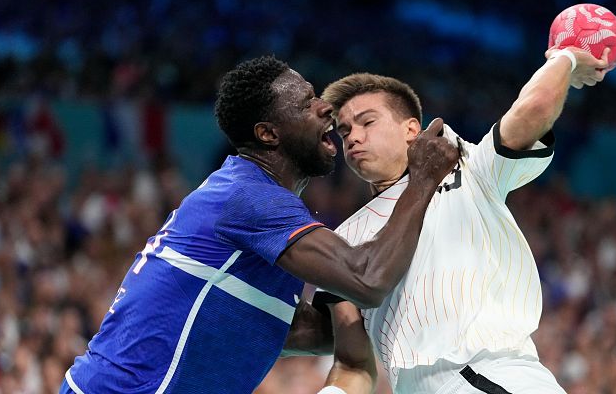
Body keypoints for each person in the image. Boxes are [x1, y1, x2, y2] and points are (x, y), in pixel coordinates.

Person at [60, 56, 459, 393]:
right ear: (268, 134)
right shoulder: (251, 199)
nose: (325, 108)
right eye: (305, 104)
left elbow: (307, 330)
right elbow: (366, 278)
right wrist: (421, 178)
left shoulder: (254, 204)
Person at [312, 46, 610, 394]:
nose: (353, 137)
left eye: (367, 122)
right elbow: (352, 365)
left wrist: (566, 58)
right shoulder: (343, 239)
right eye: (344, 131)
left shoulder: (469, 167)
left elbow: (535, 108)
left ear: (411, 129)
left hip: (489, 374)